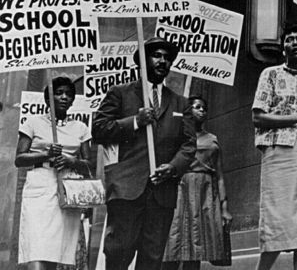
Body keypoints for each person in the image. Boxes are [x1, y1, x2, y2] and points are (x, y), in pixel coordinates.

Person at [92, 37, 196, 270]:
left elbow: (188, 145)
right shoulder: (120, 93)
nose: (163, 61)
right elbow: (98, 130)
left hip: (162, 193)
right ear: (142, 60)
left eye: (167, 58)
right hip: (127, 190)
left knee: (152, 259)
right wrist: (135, 122)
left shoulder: (181, 103)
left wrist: (173, 167)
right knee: (119, 254)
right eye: (157, 55)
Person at [251, 25, 297, 270]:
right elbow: (258, 117)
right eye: (290, 39)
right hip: (278, 154)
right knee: (277, 224)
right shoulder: (270, 74)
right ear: (283, 47)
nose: (295, 43)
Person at [15, 77, 93, 270]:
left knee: (54, 250)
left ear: (73, 100)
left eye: (68, 94)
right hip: (40, 186)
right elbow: (19, 159)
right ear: (48, 99)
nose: (64, 97)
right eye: (59, 93)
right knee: (36, 244)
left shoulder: (81, 128)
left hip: (66, 188)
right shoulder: (33, 123)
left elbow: (88, 164)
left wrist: (71, 161)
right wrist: (45, 154)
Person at [161, 95, 233, 270]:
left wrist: (224, 208)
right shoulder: (177, 138)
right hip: (180, 190)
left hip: (204, 193)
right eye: (197, 107)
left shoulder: (212, 139)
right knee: (174, 241)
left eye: (204, 108)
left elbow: (220, 175)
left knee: (197, 245)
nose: (202, 110)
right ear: (187, 111)